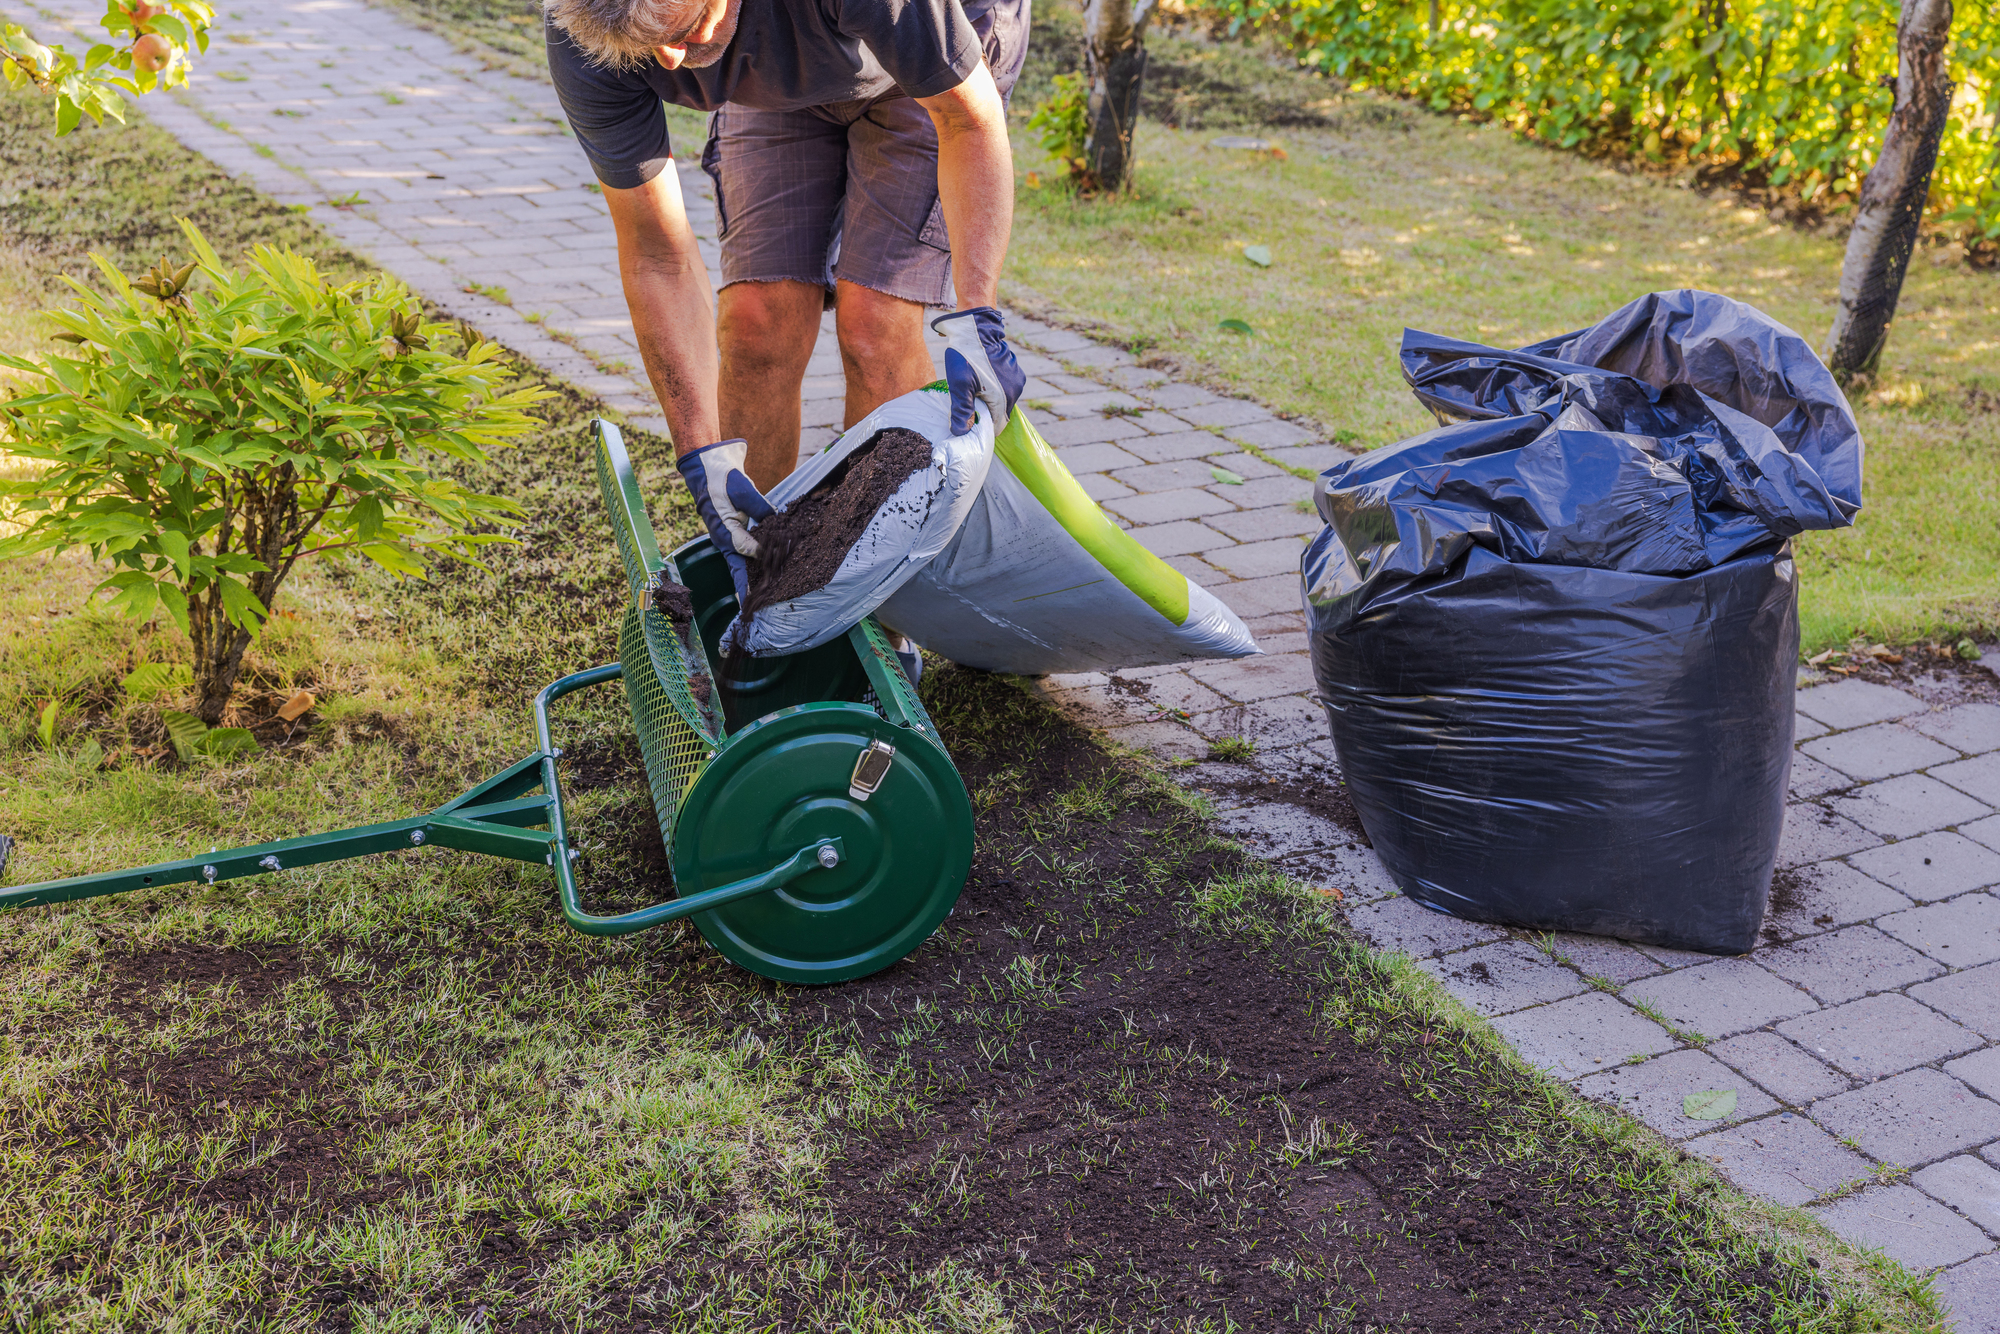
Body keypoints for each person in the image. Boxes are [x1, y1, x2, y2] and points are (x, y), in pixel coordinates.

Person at [545, 0, 1030, 605]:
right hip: (786, 74)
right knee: (755, 321)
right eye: (645, 48)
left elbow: (967, 120)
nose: (669, 60)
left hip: (928, 66)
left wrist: (976, 316)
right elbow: (656, 252)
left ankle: (876, 609)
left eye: (679, 31)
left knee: (874, 324)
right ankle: (761, 592)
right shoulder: (590, 39)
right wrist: (702, 453)